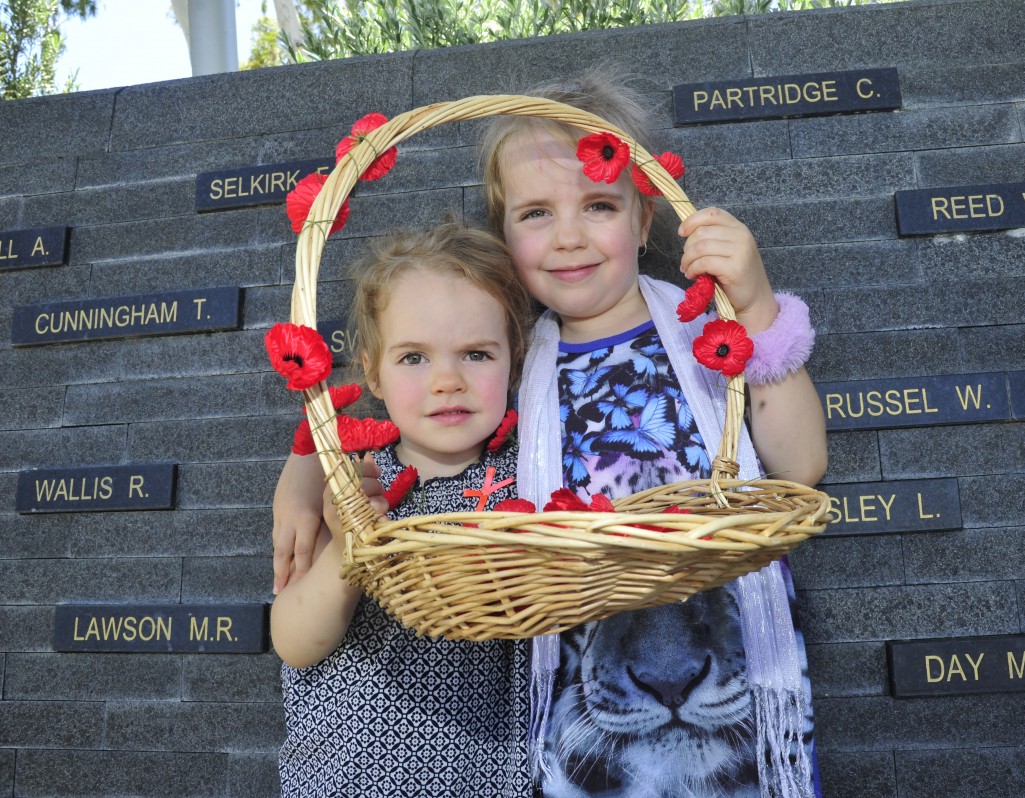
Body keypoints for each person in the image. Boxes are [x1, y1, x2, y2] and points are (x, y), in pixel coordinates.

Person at [274, 71, 828, 798]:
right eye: (536, 213)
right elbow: (415, 403)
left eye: (599, 205)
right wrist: (308, 468)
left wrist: (753, 306)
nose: (569, 236)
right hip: (591, 729)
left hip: (738, 694)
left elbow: (800, 464)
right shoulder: (507, 364)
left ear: (643, 220)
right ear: (504, 238)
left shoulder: (703, 331)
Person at [270, 221, 533, 798]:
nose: (447, 380)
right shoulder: (353, 481)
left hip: (480, 776)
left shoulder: (527, 476)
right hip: (347, 778)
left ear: (514, 362)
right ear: (373, 372)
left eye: (476, 354)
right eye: (414, 357)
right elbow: (293, 641)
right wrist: (347, 549)